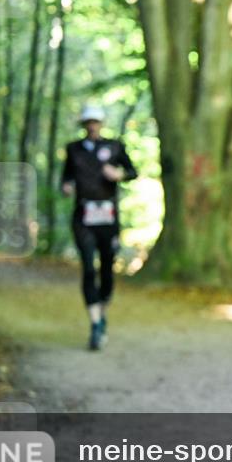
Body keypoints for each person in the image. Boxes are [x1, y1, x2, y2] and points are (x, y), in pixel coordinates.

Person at [60, 104, 138, 350]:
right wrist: (66, 186)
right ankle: (94, 324)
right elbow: (66, 176)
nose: (92, 125)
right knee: (87, 268)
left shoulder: (115, 146)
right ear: (84, 125)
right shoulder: (74, 149)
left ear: (101, 123)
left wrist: (119, 175)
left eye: (95, 121)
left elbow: (133, 171)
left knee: (106, 269)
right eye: (88, 122)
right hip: (83, 216)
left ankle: (102, 311)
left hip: (108, 217)